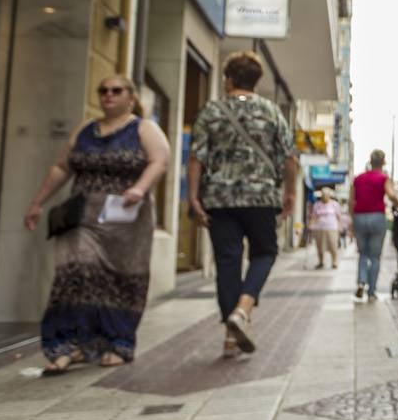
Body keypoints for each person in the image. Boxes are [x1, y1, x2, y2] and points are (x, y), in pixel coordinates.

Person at [24, 76, 170, 374]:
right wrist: (37, 202)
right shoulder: (85, 129)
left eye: (116, 91)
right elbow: (62, 167)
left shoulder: (143, 128)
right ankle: (66, 345)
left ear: (130, 98)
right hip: (84, 215)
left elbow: (160, 160)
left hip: (126, 219)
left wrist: (140, 188)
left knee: (120, 279)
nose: (108, 95)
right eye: (103, 90)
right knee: (75, 270)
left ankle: (117, 342)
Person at [188, 51, 297, 358]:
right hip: (261, 199)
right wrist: (289, 194)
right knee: (265, 253)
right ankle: (244, 308)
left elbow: (197, 156)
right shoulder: (271, 111)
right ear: (257, 80)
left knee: (227, 261)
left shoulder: (212, 110)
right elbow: (289, 157)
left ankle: (230, 336)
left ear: (229, 78)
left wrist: (193, 195)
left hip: (219, 199)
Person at [348, 150, 398, 301]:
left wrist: (352, 221)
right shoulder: (384, 178)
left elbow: (351, 201)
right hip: (377, 218)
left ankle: (361, 281)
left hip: (359, 217)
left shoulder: (358, 179)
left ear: (370, 161)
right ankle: (371, 292)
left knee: (363, 254)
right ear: (384, 162)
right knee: (375, 256)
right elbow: (391, 195)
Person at [307, 188, 342, 270]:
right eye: (323, 195)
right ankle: (321, 262)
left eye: (326, 195)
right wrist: (311, 224)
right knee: (320, 246)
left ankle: (334, 262)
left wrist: (339, 227)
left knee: (333, 245)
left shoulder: (334, 204)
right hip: (319, 228)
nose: (324, 196)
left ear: (329, 195)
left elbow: (339, 217)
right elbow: (314, 216)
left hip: (332, 228)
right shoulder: (317, 204)